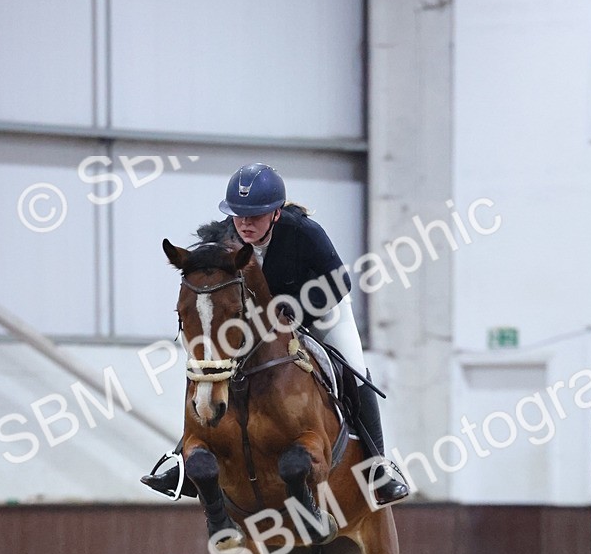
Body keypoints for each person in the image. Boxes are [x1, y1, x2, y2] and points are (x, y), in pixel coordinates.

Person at [142, 163, 409, 505]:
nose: (245, 223)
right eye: (239, 215)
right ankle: (183, 459)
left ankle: (378, 467)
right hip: (259, 324)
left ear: (276, 214)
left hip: (321, 310)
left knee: (353, 369)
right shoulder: (223, 238)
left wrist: (295, 312)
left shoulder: (304, 233)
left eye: (255, 216)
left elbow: (339, 282)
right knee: (209, 367)